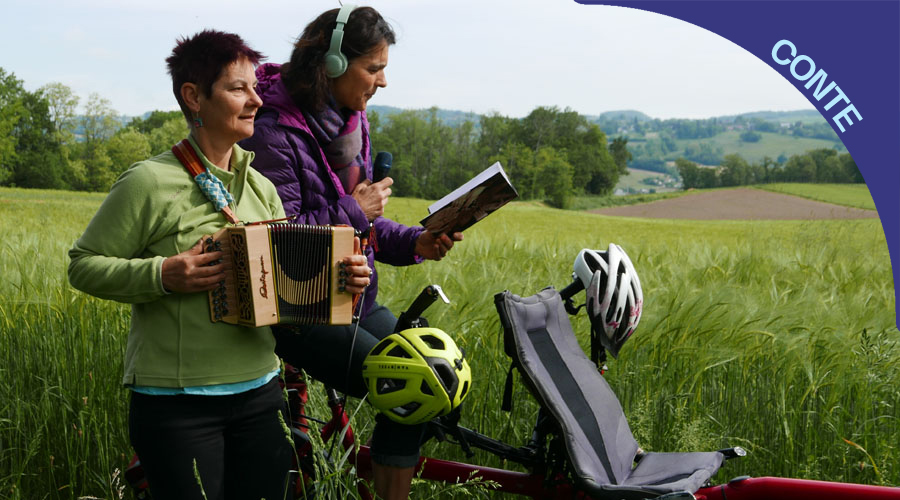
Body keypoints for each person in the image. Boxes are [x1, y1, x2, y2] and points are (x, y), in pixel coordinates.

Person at [67, 30, 371, 500]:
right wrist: (163, 274)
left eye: (255, 88)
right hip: (176, 406)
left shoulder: (261, 188)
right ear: (194, 97)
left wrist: (343, 281)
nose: (256, 100)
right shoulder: (148, 182)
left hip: (262, 394)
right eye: (238, 89)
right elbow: (83, 265)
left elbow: (284, 286)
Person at [238, 6, 462, 499]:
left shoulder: (349, 122)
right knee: (408, 386)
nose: (382, 82)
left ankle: (375, 482)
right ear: (333, 63)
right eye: (374, 68)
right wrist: (353, 208)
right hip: (302, 309)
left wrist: (417, 242)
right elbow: (279, 242)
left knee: (438, 376)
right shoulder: (273, 130)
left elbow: (366, 227)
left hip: (355, 301)